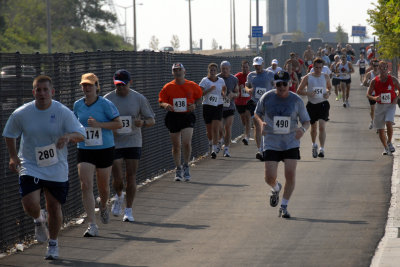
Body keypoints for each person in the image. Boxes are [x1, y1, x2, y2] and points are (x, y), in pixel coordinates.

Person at [3, 75, 85, 259]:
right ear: (33, 92)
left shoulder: (62, 112)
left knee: (54, 206)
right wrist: (13, 156)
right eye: (38, 90)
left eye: (45, 90)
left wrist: (69, 137)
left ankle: (53, 243)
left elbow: (82, 134)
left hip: (56, 166)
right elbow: (9, 134)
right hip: (31, 164)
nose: (42, 93)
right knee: (29, 203)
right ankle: (39, 219)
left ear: (52, 92)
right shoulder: (22, 113)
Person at [254, 70, 310, 218]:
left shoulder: (296, 100)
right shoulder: (267, 97)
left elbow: (306, 120)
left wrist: (302, 130)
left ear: (289, 84)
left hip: (291, 142)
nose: (282, 86)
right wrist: (261, 124)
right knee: (269, 177)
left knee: (290, 175)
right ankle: (276, 187)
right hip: (271, 142)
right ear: (274, 84)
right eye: (279, 84)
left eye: (285, 83)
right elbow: (257, 113)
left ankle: (284, 206)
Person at [73, 73, 123, 237]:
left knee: (103, 187)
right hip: (85, 148)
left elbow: (118, 123)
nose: (86, 88)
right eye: (84, 85)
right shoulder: (78, 105)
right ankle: (92, 224)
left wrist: (100, 124)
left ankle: (103, 205)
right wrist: (73, 135)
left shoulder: (105, 104)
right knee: (86, 185)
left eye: (89, 85)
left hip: (104, 149)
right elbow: (74, 124)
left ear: (97, 87)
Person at [104, 70, 155, 222]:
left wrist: (143, 123)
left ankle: (129, 210)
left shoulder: (138, 98)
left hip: (133, 140)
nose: (120, 88)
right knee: (117, 176)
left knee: (131, 176)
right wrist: (110, 127)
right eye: (117, 85)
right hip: (115, 141)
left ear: (130, 82)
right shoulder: (108, 99)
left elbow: (152, 119)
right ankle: (119, 196)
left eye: (123, 85)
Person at [159, 63, 202, 181]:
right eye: (175, 70)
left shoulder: (192, 85)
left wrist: (195, 105)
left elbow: (199, 98)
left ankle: (186, 165)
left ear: (184, 71)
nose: (177, 72)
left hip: (187, 116)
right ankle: (178, 168)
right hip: (173, 117)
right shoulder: (168, 87)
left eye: (179, 70)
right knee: (176, 146)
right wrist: (166, 105)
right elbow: (161, 102)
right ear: (172, 73)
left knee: (186, 142)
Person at [297, 58, 332, 158]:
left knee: (322, 126)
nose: (318, 70)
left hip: (323, 104)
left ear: (322, 68)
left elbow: (329, 88)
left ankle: (322, 149)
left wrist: (328, 93)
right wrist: (308, 93)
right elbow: (299, 91)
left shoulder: (325, 76)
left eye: (320, 68)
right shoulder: (308, 77)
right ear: (313, 66)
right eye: (316, 67)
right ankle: (314, 145)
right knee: (313, 128)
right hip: (312, 105)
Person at [367, 61, 400, 155]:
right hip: (380, 106)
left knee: (389, 122)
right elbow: (368, 94)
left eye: (385, 68)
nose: (383, 69)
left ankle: (389, 142)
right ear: (378, 69)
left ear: (388, 69)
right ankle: (385, 147)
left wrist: (396, 98)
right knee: (380, 129)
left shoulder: (393, 79)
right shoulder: (374, 81)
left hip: (391, 105)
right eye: (381, 68)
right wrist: (374, 97)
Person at [245, 56, 275, 161]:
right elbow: (246, 86)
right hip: (255, 103)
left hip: (268, 103)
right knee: (258, 125)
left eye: (259, 65)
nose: (257, 67)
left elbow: (276, 85)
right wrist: (248, 90)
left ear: (263, 64)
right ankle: (260, 150)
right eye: (255, 66)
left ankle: (267, 147)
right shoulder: (251, 75)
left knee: (266, 126)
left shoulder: (270, 74)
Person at [200, 63, 227, 159]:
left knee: (215, 128)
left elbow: (224, 88)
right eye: (211, 70)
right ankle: (211, 144)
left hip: (218, 105)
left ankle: (214, 150)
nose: (212, 72)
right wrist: (209, 90)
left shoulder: (221, 80)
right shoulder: (205, 81)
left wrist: (224, 94)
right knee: (209, 130)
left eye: (214, 70)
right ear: (208, 71)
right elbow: (200, 93)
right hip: (207, 106)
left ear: (216, 71)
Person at [217, 61, 239, 157]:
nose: (225, 70)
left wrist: (232, 95)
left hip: (230, 107)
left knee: (228, 128)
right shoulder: (216, 78)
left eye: (226, 68)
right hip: (219, 107)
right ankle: (220, 140)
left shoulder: (234, 79)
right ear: (220, 69)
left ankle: (226, 148)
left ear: (230, 69)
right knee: (220, 128)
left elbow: (237, 93)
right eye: (223, 69)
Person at [235, 60, 252, 145]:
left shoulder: (251, 75)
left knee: (248, 117)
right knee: (243, 120)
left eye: (246, 67)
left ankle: (247, 137)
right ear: (241, 67)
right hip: (239, 101)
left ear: (249, 67)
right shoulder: (237, 76)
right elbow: (234, 87)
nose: (245, 68)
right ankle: (247, 131)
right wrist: (239, 87)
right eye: (243, 67)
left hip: (249, 101)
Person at [363, 59, 380, 129]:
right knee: (373, 109)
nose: (376, 67)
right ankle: (372, 121)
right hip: (371, 94)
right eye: (374, 65)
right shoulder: (369, 74)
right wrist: (370, 85)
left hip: (379, 94)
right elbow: (364, 83)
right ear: (372, 66)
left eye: (377, 65)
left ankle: (378, 123)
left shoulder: (381, 73)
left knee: (379, 109)